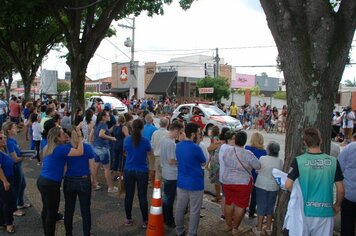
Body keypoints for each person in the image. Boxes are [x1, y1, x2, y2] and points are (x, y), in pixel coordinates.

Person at [285, 127, 344, 236]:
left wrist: (298, 195)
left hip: (304, 211)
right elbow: (340, 190)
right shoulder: (333, 162)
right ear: (321, 140)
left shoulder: (298, 161)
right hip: (325, 211)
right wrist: (337, 205)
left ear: (305, 143)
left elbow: (288, 184)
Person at [37, 127, 83, 236]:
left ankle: (46, 232)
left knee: (46, 209)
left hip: (42, 180)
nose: (65, 135)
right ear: (57, 137)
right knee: (52, 213)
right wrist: (80, 136)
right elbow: (80, 152)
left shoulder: (48, 147)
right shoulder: (60, 149)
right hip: (51, 184)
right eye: (62, 134)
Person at [221, 131, 261, 234]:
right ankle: (235, 228)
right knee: (240, 205)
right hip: (243, 183)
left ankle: (228, 225)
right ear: (244, 141)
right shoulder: (248, 154)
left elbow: (224, 161)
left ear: (235, 140)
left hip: (227, 181)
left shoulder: (227, 151)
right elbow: (258, 166)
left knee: (229, 202)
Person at [175, 123, 206, 236]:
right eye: (198, 133)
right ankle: (191, 233)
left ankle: (179, 230)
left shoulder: (178, 145)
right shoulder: (196, 148)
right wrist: (197, 144)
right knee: (194, 210)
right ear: (193, 134)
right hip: (195, 183)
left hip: (181, 182)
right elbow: (203, 161)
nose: (199, 135)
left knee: (180, 207)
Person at [63, 127, 95, 236]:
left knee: (69, 209)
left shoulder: (66, 148)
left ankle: (68, 233)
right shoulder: (87, 148)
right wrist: (94, 180)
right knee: (85, 209)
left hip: (69, 180)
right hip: (84, 179)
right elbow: (92, 167)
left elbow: (65, 168)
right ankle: (87, 233)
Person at [123, 119, 151, 228]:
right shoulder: (145, 141)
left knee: (129, 195)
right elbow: (149, 152)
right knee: (142, 196)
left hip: (128, 169)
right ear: (142, 128)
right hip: (142, 171)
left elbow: (124, 152)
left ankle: (128, 219)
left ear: (132, 128)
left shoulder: (127, 140)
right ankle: (145, 221)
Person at [254, 141, 283, 235]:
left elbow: (257, 169)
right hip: (274, 187)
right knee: (270, 207)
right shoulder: (280, 161)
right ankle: (268, 228)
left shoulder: (262, 158)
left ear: (268, 150)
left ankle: (259, 229)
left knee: (261, 206)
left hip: (261, 185)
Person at [2, 121, 31, 217]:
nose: (16, 129)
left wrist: (27, 153)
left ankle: (20, 203)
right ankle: (14, 208)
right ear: (9, 130)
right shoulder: (9, 143)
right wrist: (26, 157)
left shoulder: (13, 140)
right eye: (14, 128)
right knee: (16, 187)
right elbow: (15, 159)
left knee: (22, 185)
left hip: (18, 166)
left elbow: (19, 152)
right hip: (15, 167)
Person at [160, 121, 184, 227]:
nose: (179, 135)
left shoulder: (164, 138)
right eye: (179, 132)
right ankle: (169, 220)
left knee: (166, 197)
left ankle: (165, 217)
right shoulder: (170, 142)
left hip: (165, 171)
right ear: (175, 130)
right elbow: (171, 160)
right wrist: (182, 161)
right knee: (169, 198)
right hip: (171, 174)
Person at [90, 111, 117, 193]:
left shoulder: (97, 124)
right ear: (103, 117)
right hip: (103, 148)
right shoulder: (104, 125)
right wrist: (112, 138)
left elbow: (92, 134)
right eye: (108, 115)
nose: (109, 116)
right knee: (106, 169)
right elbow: (101, 134)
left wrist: (92, 143)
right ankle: (111, 187)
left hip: (96, 147)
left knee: (96, 167)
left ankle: (93, 184)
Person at [244, 132, 267, 218]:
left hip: (247, 174)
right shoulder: (264, 152)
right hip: (257, 176)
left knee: (245, 194)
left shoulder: (247, 148)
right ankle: (251, 212)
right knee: (254, 196)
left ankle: (242, 210)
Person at [338, 139, 356, 236]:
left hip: (349, 194)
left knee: (347, 225)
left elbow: (339, 167)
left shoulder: (350, 147)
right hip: (349, 193)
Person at [0, 131, 17, 234]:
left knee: (3, 202)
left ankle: (3, 222)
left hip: (8, 178)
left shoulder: (3, 148)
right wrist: (5, 181)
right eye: (0, 138)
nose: (3, 139)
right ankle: (9, 224)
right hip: (4, 180)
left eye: (4, 137)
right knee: (8, 202)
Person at [110, 115, 129, 180]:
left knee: (115, 159)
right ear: (124, 120)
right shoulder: (124, 127)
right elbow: (127, 137)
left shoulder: (114, 127)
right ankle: (120, 176)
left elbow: (108, 132)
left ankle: (115, 175)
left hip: (115, 144)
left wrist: (112, 137)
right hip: (122, 145)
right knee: (122, 160)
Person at [142, 114, 157, 187]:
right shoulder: (154, 129)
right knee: (152, 166)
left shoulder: (142, 128)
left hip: (142, 148)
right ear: (152, 120)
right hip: (151, 148)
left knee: (145, 164)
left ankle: (146, 179)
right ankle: (151, 182)